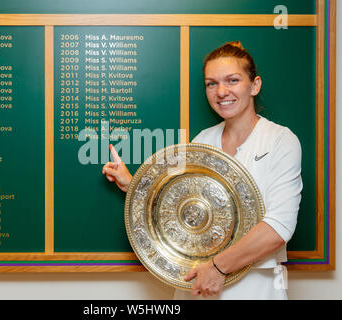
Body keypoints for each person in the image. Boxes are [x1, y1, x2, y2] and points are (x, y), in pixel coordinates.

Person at [102, 41, 302, 300]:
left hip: (256, 285)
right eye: (211, 83)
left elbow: (278, 227)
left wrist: (218, 267)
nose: (221, 92)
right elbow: (178, 206)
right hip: (196, 283)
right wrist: (134, 184)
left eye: (232, 80)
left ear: (255, 85)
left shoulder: (280, 140)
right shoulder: (202, 142)